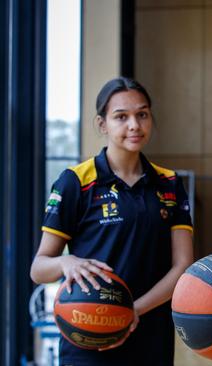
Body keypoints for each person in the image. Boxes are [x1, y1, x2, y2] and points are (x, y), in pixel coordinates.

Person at [30, 77, 194, 366]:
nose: (134, 125)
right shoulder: (75, 182)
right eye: (121, 117)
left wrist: (133, 311)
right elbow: (39, 269)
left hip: (150, 338)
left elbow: (182, 266)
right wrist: (65, 263)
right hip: (88, 337)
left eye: (142, 114)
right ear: (102, 124)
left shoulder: (168, 182)